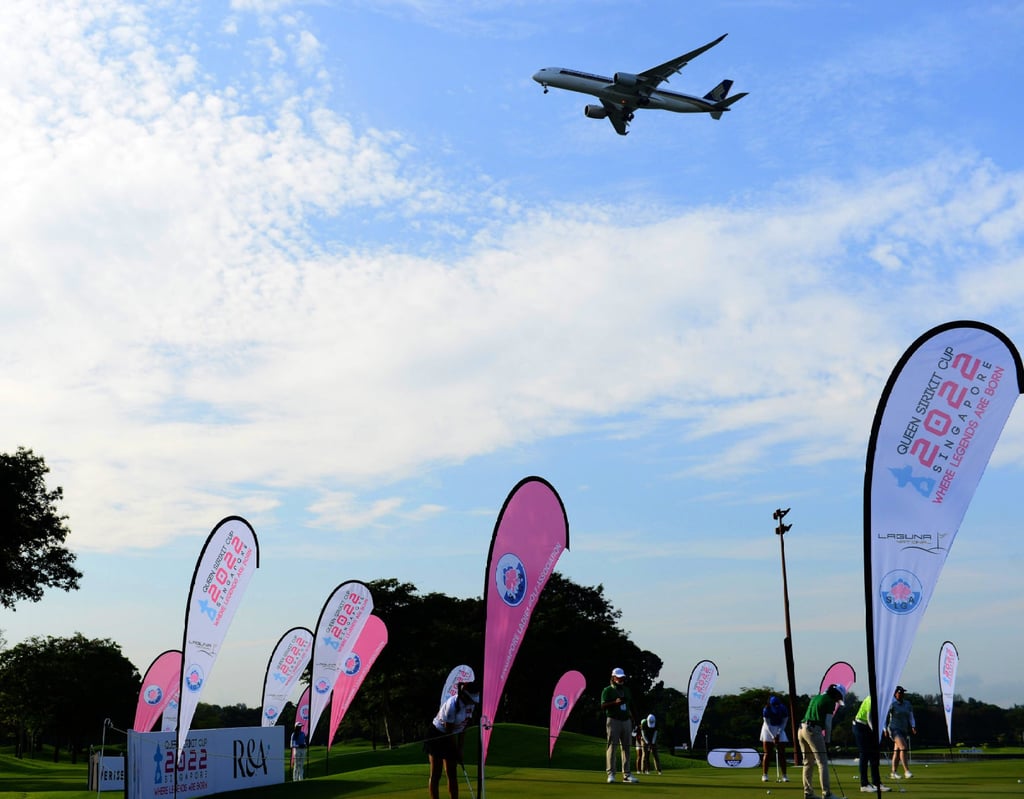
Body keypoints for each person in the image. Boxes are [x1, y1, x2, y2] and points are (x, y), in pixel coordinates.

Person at [425, 681, 479, 799]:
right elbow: (448, 732)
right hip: (437, 735)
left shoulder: (471, 705)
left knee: (452, 773)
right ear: (464, 695)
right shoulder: (452, 705)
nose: (473, 701)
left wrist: (460, 749)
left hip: (451, 736)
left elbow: (463, 728)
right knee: (436, 773)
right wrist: (456, 751)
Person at [798, 683, 846, 799]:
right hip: (813, 730)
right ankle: (827, 794)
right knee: (822, 762)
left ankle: (808, 793)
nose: (838, 701)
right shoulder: (830, 701)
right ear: (836, 694)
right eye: (839, 698)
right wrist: (827, 740)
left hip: (801, 729)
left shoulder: (816, 697)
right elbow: (828, 724)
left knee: (808, 762)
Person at [601, 667, 639, 784]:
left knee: (626, 747)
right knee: (612, 747)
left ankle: (627, 775)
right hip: (613, 720)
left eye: (622, 677)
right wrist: (614, 703)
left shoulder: (626, 690)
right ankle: (611, 774)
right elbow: (603, 706)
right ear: (613, 677)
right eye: (618, 677)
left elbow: (632, 706)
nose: (621, 679)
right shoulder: (607, 690)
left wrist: (636, 721)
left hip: (626, 720)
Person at [852, 695, 891, 792]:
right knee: (864, 754)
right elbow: (869, 718)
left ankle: (876, 783)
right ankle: (864, 784)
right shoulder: (871, 699)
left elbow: (881, 717)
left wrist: (883, 729)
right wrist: (876, 733)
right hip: (860, 726)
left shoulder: (881, 701)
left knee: (874, 755)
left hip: (868, 727)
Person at [886, 686, 916, 780]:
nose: (901, 694)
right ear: (895, 694)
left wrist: (913, 726)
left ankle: (893, 772)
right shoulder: (892, 704)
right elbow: (885, 716)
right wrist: (884, 729)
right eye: (899, 693)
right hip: (894, 729)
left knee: (897, 751)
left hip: (903, 729)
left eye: (902, 692)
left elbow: (911, 716)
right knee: (903, 747)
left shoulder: (907, 704)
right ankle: (906, 771)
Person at [760, 695, 790, 783]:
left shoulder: (783, 709)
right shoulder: (766, 710)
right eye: (774, 705)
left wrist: (778, 733)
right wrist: (773, 736)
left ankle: (784, 775)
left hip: (780, 728)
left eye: (777, 705)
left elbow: (784, 722)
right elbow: (767, 724)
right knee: (767, 753)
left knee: (782, 753)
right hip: (768, 729)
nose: (776, 706)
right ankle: (764, 775)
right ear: (770, 704)